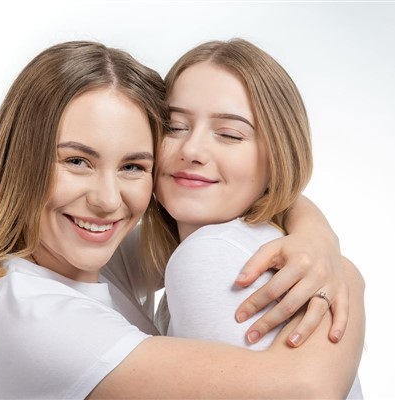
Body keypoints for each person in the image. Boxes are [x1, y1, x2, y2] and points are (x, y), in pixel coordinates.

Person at [0, 40, 365, 399]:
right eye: (77, 161)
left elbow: (222, 211)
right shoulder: (36, 317)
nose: (107, 201)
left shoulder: (82, 263)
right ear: (17, 161)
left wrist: (315, 235)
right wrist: (346, 273)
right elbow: (309, 390)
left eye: (132, 166)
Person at [152, 38, 363, 397]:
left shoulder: (209, 256)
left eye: (229, 134)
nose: (192, 150)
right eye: (174, 127)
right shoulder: (263, 242)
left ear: (278, 156)